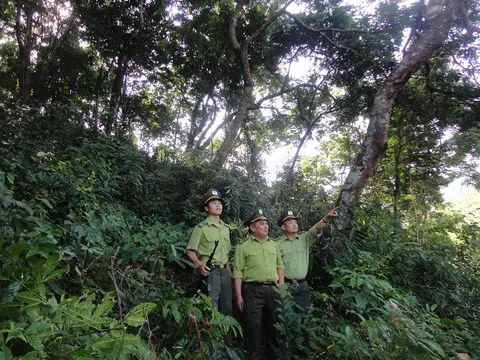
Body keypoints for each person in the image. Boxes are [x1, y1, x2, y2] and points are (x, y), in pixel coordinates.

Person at [233, 209, 284, 360]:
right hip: (252, 291)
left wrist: (281, 286)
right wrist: (239, 296)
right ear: (252, 228)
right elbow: (237, 273)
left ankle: (274, 356)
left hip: (273, 290)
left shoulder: (273, 245)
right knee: (252, 326)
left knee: (275, 325)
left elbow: (280, 265)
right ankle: (252, 357)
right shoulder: (242, 247)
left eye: (266, 223)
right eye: (261, 224)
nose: (266, 226)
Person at [276, 207, 338, 310]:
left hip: (302, 286)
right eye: (290, 222)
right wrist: (279, 286)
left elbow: (316, 228)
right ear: (283, 226)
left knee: (303, 316)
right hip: (285, 286)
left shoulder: (304, 238)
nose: (294, 224)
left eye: (295, 222)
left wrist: (327, 218)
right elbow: (275, 266)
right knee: (285, 317)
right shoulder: (277, 244)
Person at [186, 189, 232, 316]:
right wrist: (199, 264)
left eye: (220, 203)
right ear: (206, 208)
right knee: (211, 306)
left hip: (225, 272)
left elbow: (226, 252)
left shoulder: (226, 228)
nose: (218, 205)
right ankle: (213, 334)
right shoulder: (201, 228)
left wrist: (229, 270)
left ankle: (226, 335)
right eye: (213, 203)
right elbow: (190, 250)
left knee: (227, 305)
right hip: (211, 272)